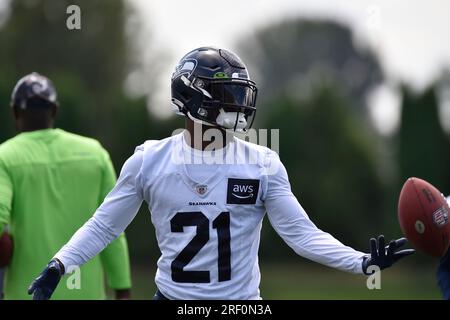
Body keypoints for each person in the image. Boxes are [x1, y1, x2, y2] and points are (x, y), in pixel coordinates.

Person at [28, 47, 414, 300]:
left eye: (238, 93)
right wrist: (60, 264)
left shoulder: (262, 164)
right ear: (193, 97)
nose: (238, 104)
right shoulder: (149, 161)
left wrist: (360, 261)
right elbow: (103, 227)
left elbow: (302, 236)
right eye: (226, 93)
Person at [0, 72, 132, 299]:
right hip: (87, 293)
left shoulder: (5, 156)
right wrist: (122, 289)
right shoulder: (95, 153)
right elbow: (114, 228)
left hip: (28, 293)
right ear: (54, 110)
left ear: (14, 112)